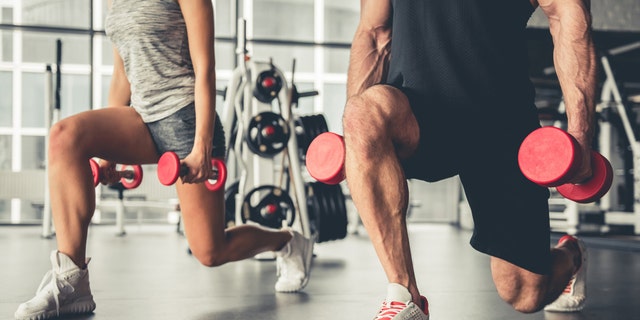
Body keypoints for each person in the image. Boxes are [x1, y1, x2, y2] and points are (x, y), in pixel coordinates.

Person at [14, 0, 314, 319]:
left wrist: (202, 146)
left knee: (211, 251)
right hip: (140, 118)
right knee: (65, 137)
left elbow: (205, 69)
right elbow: (121, 76)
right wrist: (106, 158)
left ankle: (288, 242)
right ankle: (72, 283)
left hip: (185, 119)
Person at [343, 0, 595, 318]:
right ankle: (405, 296)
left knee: (523, 292)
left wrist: (580, 136)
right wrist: (353, 137)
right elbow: (375, 32)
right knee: (361, 112)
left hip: (502, 126)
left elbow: (566, 14)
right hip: (418, 113)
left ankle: (572, 257)